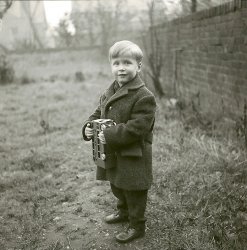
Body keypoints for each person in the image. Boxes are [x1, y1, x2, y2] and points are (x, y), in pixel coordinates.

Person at [82, 40, 156, 243]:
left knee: (134, 189)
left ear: (138, 66)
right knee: (117, 184)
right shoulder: (111, 90)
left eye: (127, 63)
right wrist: (89, 125)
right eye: (116, 63)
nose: (121, 68)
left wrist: (112, 134)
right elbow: (99, 112)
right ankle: (123, 212)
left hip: (134, 153)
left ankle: (137, 225)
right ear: (111, 66)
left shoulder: (143, 96)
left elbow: (138, 127)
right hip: (114, 151)